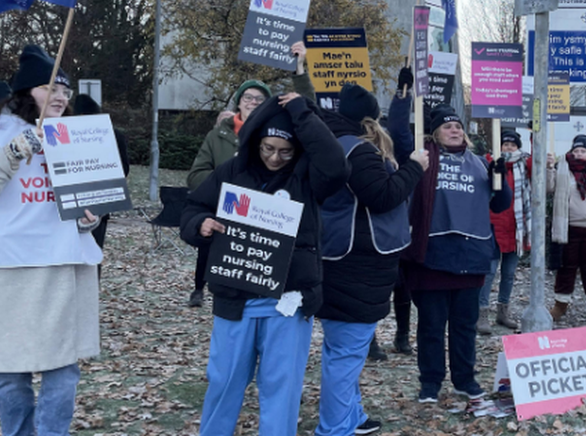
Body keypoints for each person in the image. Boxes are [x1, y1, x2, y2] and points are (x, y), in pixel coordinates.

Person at [180, 93, 349, 436]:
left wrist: (302, 111)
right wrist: (200, 224)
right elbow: (192, 208)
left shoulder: (307, 178)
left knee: (281, 391)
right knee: (224, 383)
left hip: (287, 303)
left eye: (285, 151)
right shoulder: (232, 170)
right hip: (235, 299)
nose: (275, 157)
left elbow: (336, 165)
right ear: (256, 142)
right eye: (267, 148)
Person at [314, 84, 428, 436]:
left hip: (341, 259)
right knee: (346, 354)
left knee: (343, 350)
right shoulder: (357, 151)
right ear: (368, 119)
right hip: (357, 265)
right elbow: (382, 195)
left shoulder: (329, 142)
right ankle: (334, 428)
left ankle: (351, 417)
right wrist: (414, 168)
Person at [0, 45, 102, 436]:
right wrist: (15, 151)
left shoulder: (76, 136)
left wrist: (89, 219)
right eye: (51, 88)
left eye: (65, 91)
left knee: (64, 369)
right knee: (10, 371)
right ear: (26, 92)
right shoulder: (4, 129)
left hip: (63, 264)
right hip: (12, 267)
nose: (61, 97)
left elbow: (89, 199)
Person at [395, 103, 512, 403]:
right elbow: (398, 134)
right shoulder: (422, 159)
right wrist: (401, 97)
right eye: (448, 126)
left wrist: (501, 180)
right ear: (435, 132)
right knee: (432, 326)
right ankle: (430, 383)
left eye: (458, 126)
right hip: (433, 253)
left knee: (464, 326)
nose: (455, 130)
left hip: (470, 255)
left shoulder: (480, 163)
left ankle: (464, 379)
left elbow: (498, 205)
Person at [186, 79, 272, 307]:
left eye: (259, 99)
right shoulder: (217, 135)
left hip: (260, 216)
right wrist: (224, 182)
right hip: (223, 211)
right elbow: (196, 175)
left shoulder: (273, 134)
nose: (253, 102)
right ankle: (200, 290)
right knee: (210, 253)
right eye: (248, 98)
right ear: (239, 103)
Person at [545, 134, 586, 326]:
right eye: (576, 151)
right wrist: (548, 168)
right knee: (566, 268)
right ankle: (560, 304)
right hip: (568, 228)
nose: (579, 154)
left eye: (583, 151)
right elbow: (548, 187)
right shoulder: (562, 169)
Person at [478, 128, 531, 334]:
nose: (508, 147)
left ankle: (503, 311)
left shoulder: (523, 166)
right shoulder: (487, 164)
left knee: (509, 274)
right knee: (489, 274)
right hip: (491, 226)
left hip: (515, 228)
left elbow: (539, 165)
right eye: (505, 144)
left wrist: (535, 131)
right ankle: (482, 313)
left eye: (513, 144)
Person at [73, 94, 130, 259]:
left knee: (93, 250)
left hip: (99, 199)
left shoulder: (112, 135)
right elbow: (124, 168)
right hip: (92, 199)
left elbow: (123, 168)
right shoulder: (113, 133)